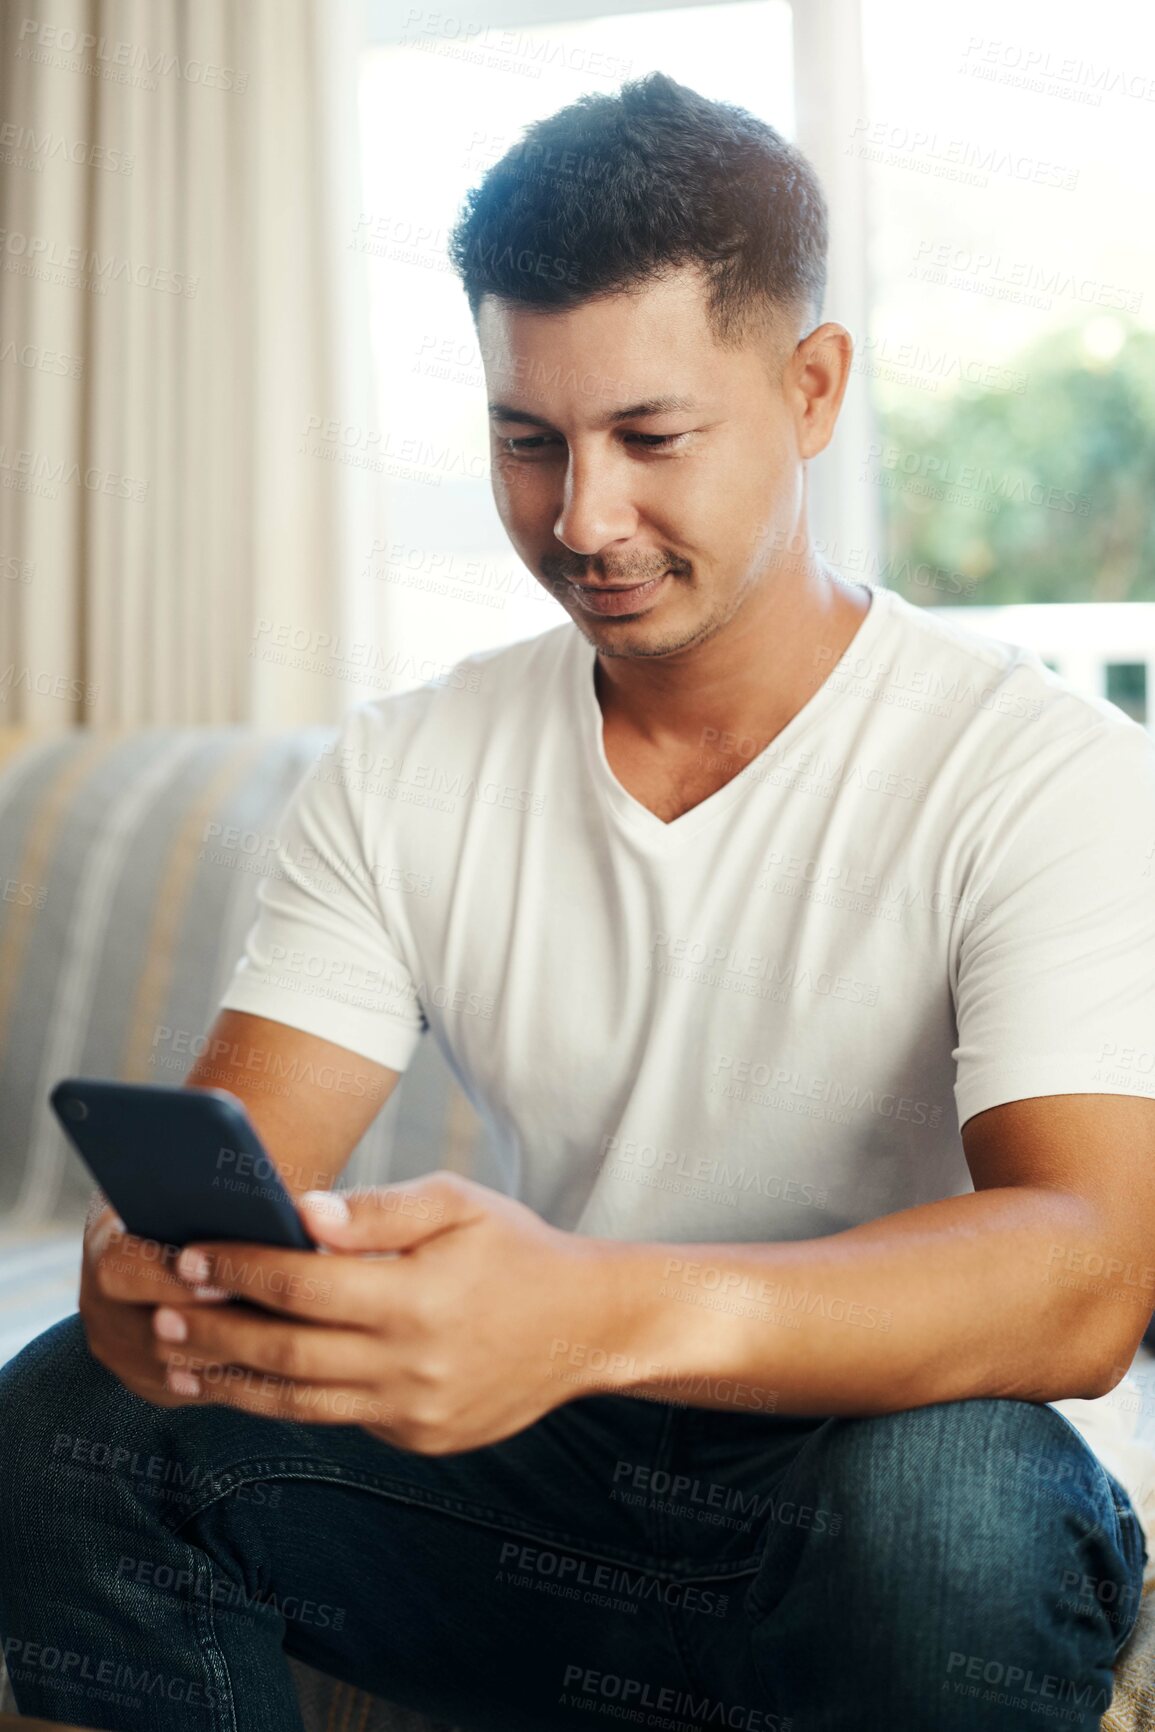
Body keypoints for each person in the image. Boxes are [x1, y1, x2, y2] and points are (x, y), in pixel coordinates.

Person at [1, 70, 1153, 1732]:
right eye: (525, 440)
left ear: (813, 387)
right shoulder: (408, 768)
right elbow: (236, 1167)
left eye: (652, 437)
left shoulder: (1040, 767)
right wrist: (153, 1299)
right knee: (64, 1423)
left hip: (886, 1472)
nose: (582, 518)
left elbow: (1086, 1271)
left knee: (942, 1508)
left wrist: (593, 1310)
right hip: (549, 1509)